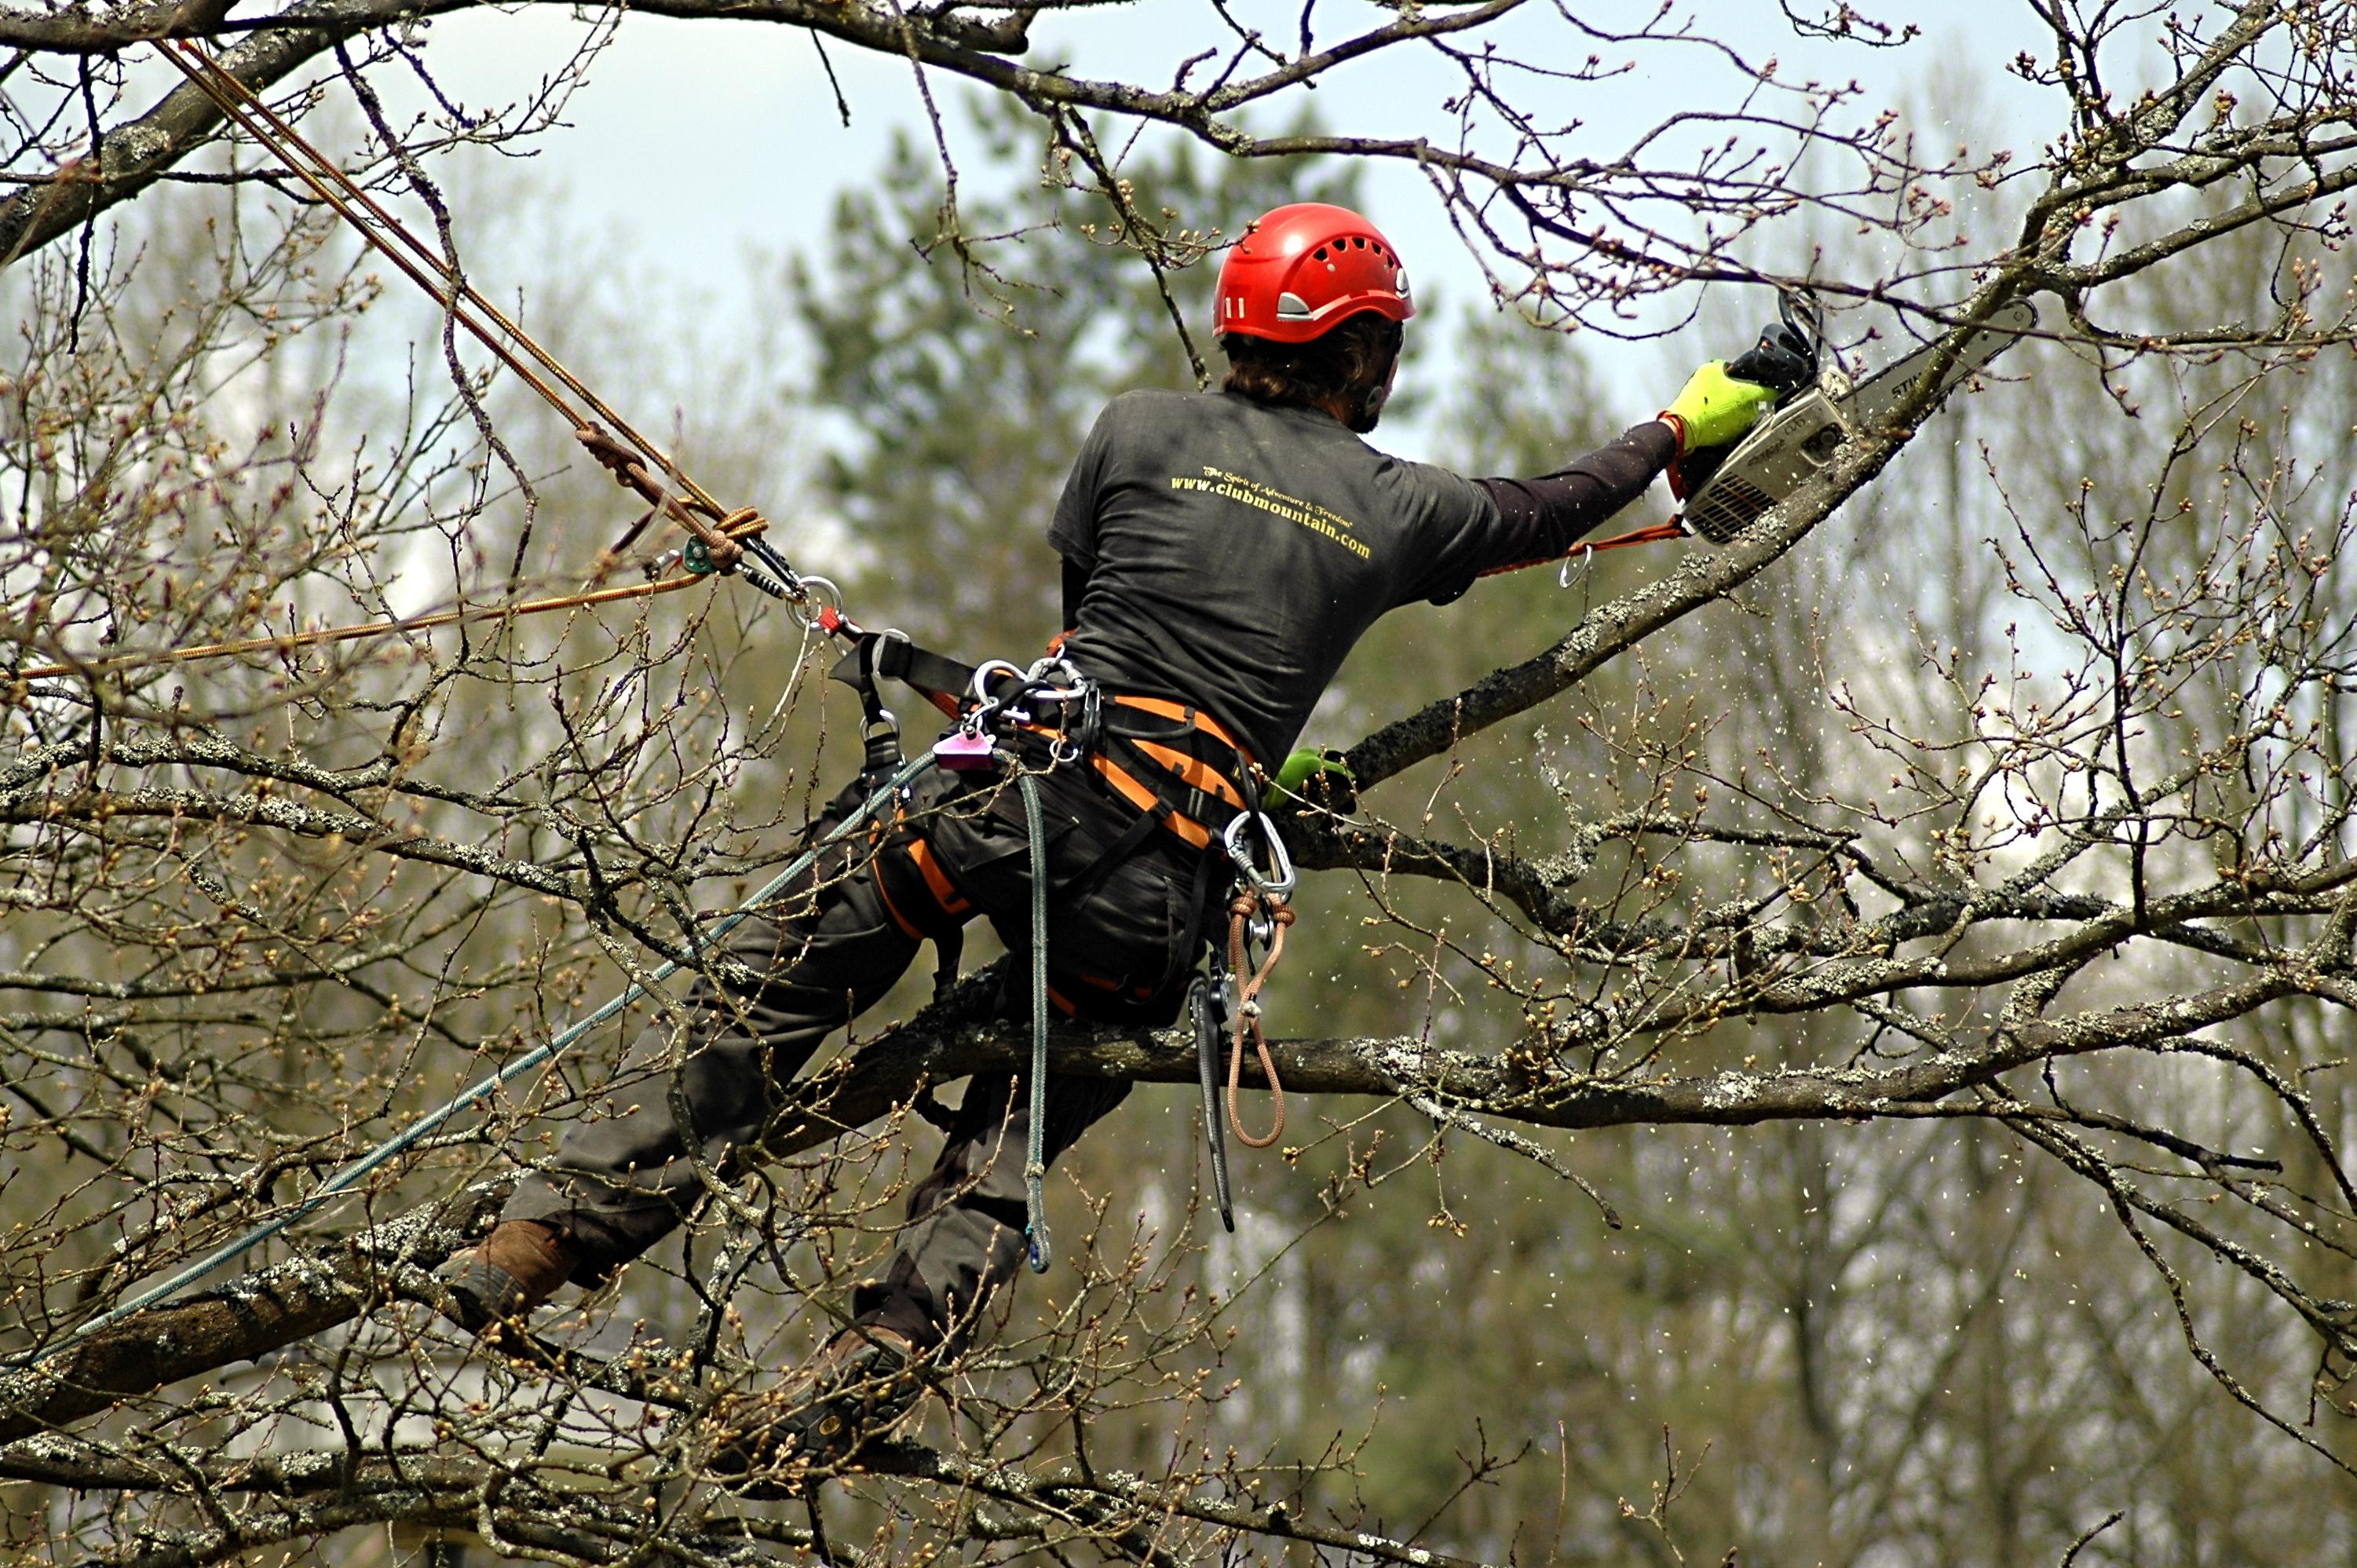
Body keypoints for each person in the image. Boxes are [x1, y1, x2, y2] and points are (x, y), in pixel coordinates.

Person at [437, 201, 1774, 1457]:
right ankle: (887, 1354)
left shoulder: (1136, 430)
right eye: (1385, 348)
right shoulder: (1399, 504)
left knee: (779, 981)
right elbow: (1554, 504)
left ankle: (547, 1236)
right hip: (1152, 887)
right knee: (1010, 1125)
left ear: (1241, 330)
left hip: (1003, 804)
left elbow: (1090, 625)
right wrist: (1673, 425)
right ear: (1360, 350)